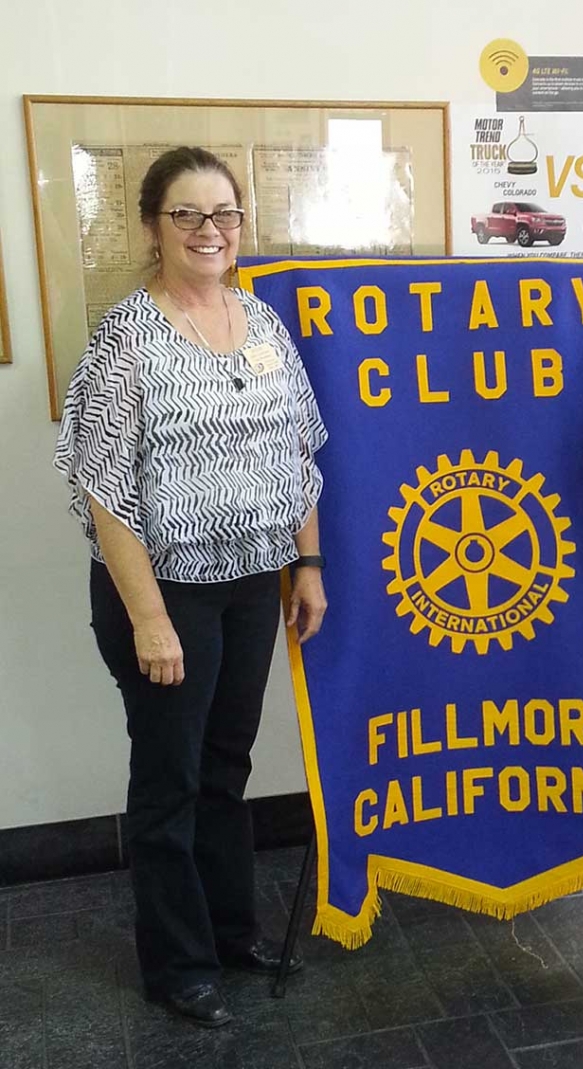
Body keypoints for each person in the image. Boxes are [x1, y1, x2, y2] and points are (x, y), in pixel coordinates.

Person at [54, 147, 329, 1027]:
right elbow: (104, 488)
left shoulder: (261, 323)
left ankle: (230, 930)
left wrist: (307, 562)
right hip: (164, 595)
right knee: (169, 779)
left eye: (226, 214)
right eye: (189, 215)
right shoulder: (125, 337)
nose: (211, 231)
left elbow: (298, 453)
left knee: (226, 766)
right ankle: (178, 964)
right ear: (152, 227)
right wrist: (149, 619)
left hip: (252, 582)